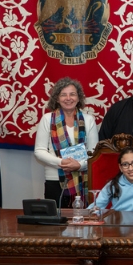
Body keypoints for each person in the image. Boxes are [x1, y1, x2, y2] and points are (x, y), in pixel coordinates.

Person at [34, 77, 99, 206]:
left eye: (72, 94)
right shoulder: (47, 119)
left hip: (82, 179)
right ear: (57, 99)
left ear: (78, 98)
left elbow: (94, 153)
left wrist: (79, 165)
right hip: (55, 180)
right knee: (55, 224)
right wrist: (61, 162)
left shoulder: (88, 120)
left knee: (81, 221)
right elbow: (39, 151)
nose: (68, 98)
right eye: (63, 95)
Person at [90, 146, 133, 212]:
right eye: (125, 164)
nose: (130, 168)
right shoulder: (113, 184)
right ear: (120, 167)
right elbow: (96, 206)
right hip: (118, 223)